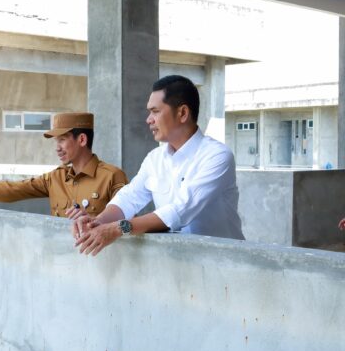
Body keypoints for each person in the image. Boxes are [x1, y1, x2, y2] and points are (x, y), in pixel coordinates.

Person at [70, 75, 244, 256]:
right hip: (178, 263)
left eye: (155, 111)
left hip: (224, 263)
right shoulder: (155, 158)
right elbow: (129, 198)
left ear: (182, 113)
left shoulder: (216, 156)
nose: (149, 120)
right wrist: (97, 222)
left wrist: (118, 228)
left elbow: (180, 210)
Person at [0, 112, 128, 218]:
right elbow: (9, 190)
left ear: (82, 139)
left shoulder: (112, 176)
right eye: (56, 142)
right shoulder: (54, 179)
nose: (57, 148)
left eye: (63, 139)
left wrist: (98, 220)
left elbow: (129, 222)